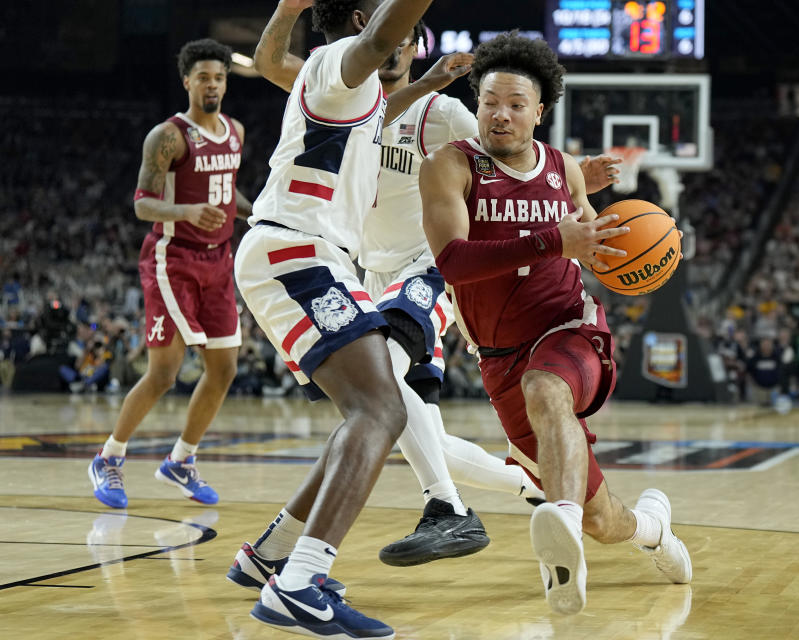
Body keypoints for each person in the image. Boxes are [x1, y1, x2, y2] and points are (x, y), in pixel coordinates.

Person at [240, 0, 624, 570]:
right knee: (392, 417)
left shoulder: (444, 113)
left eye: (403, 35)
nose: (393, 41)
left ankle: (443, 507)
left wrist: (562, 176)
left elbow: (503, 164)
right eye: (383, 26)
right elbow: (283, 66)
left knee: (381, 402)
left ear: (415, 43)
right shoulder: (358, 88)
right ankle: (525, 488)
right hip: (363, 270)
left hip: (430, 266)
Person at [419, 32, 693, 616]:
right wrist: (554, 239)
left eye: (516, 104)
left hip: (569, 328)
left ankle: (559, 526)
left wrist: (629, 248)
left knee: (547, 389)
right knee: (603, 519)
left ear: (538, 113)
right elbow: (453, 263)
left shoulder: (563, 169)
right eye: (490, 101)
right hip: (498, 356)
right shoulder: (449, 166)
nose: (501, 114)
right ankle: (652, 528)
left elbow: (595, 250)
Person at [231, 1, 437, 637]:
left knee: (366, 410)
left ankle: (271, 556)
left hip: (308, 254)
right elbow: (380, 37)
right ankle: (299, 584)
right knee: (382, 410)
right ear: (357, 19)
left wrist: (431, 84)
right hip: (299, 250)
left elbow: (378, 106)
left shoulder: (357, 94)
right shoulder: (337, 65)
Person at [88, 39, 252, 509]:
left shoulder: (236, 131)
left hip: (219, 259)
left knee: (224, 368)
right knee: (164, 371)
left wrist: (255, 212)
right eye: (203, 76)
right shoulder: (168, 136)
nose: (213, 84)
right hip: (171, 258)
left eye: (219, 77)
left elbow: (227, 194)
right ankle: (109, 456)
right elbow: (142, 203)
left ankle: (181, 460)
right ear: (187, 81)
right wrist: (186, 210)